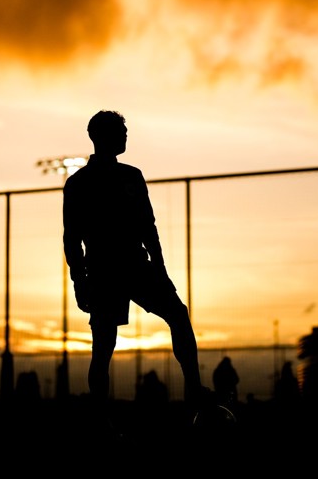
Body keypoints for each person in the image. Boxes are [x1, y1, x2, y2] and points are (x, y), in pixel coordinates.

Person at [63, 110, 206, 421]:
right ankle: (99, 416)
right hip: (103, 270)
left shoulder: (131, 175)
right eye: (120, 131)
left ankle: (195, 393)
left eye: (125, 131)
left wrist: (161, 272)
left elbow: (148, 226)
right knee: (104, 345)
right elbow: (71, 238)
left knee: (178, 316)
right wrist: (80, 281)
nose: (126, 137)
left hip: (135, 265)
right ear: (101, 136)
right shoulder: (79, 183)